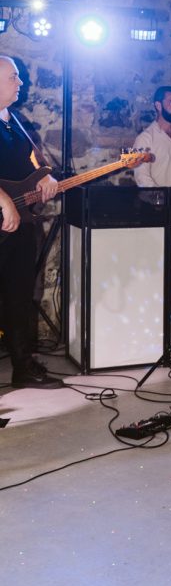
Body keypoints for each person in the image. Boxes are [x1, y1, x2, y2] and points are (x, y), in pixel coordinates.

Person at [0, 55, 62, 389]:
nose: (20, 82)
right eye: (13, 77)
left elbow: (34, 160)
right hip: (5, 216)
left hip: (21, 223)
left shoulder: (14, 120)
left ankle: (23, 368)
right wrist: (3, 200)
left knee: (20, 296)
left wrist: (45, 177)